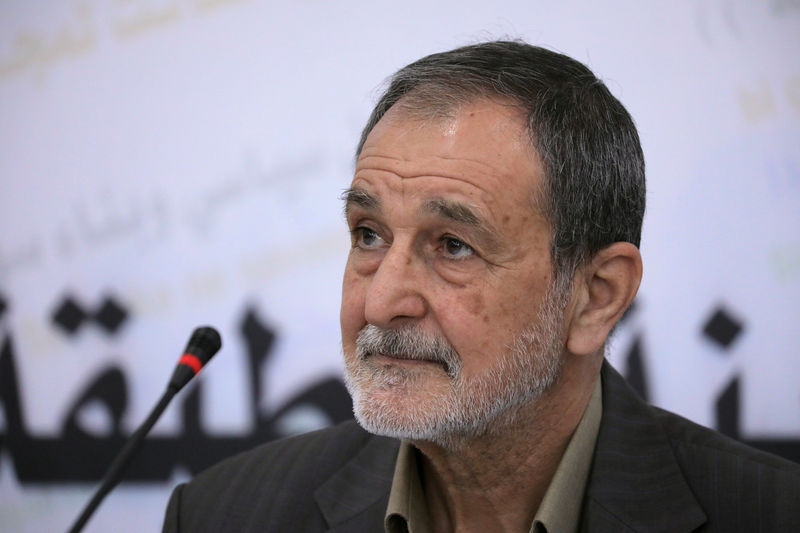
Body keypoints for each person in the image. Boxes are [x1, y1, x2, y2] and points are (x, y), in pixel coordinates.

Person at [162, 41, 800, 533]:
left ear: (596, 296)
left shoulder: (770, 514)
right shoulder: (225, 515)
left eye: (453, 246)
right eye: (369, 235)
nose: (380, 303)